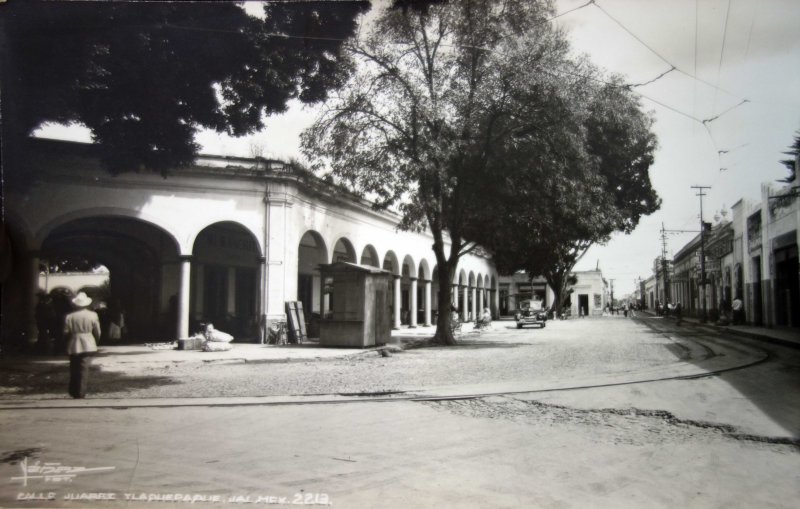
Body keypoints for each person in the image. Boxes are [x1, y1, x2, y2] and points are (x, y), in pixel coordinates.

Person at [63, 292, 101, 399]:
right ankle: (80, 392)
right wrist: (96, 342)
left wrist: (66, 342)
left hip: (74, 342)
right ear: (86, 304)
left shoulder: (70, 316)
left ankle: (73, 390)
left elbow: (65, 332)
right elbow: (97, 332)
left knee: (73, 367)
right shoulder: (93, 315)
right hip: (88, 342)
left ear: (76, 304)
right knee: (83, 368)